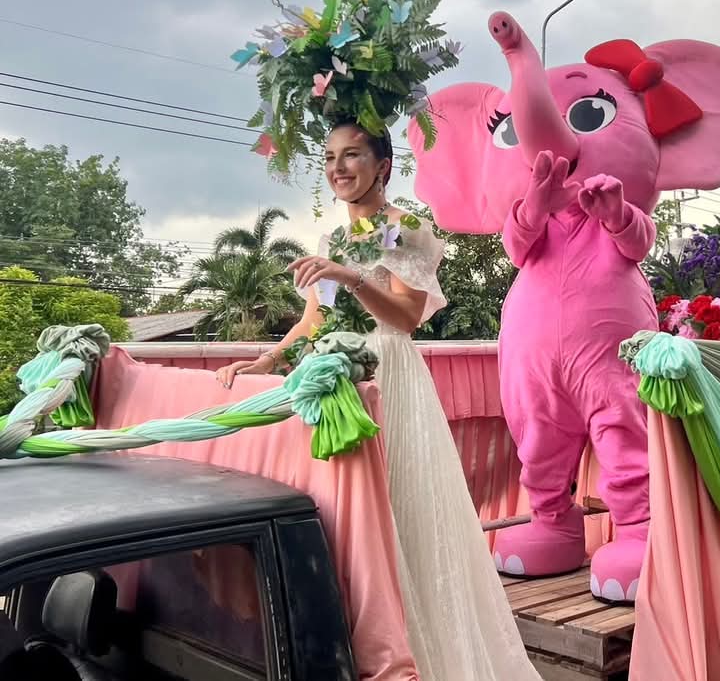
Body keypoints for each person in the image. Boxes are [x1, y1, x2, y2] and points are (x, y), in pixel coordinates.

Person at [216, 123, 542, 681]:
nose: (338, 168)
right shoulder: (331, 241)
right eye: (329, 158)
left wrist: (351, 277)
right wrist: (267, 361)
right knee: (346, 514)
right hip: (336, 378)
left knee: (399, 511)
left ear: (383, 164)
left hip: (387, 377)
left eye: (352, 155)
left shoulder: (407, 228)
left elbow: (405, 318)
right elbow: (313, 321)